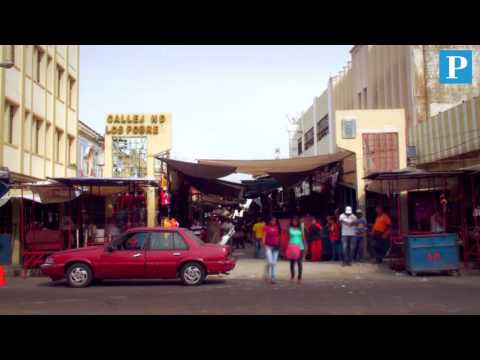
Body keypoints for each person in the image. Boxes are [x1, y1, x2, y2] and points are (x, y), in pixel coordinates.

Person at [263, 216, 281, 284]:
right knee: (270, 262)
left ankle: (273, 278)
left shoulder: (277, 227)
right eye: (272, 220)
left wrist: (279, 244)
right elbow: (264, 236)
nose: (274, 222)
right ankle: (267, 274)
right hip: (268, 246)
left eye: (275, 220)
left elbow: (279, 236)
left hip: (276, 247)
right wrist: (264, 245)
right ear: (269, 221)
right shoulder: (266, 227)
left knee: (273, 263)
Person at [288, 216, 306, 283]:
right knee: (292, 263)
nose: (294, 222)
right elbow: (289, 237)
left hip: (300, 247)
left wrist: (305, 247)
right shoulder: (290, 228)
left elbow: (303, 238)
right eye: (293, 221)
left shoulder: (300, 228)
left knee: (299, 262)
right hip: (292, 246)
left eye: (296, 221)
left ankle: (299, 278)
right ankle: (292, 276)